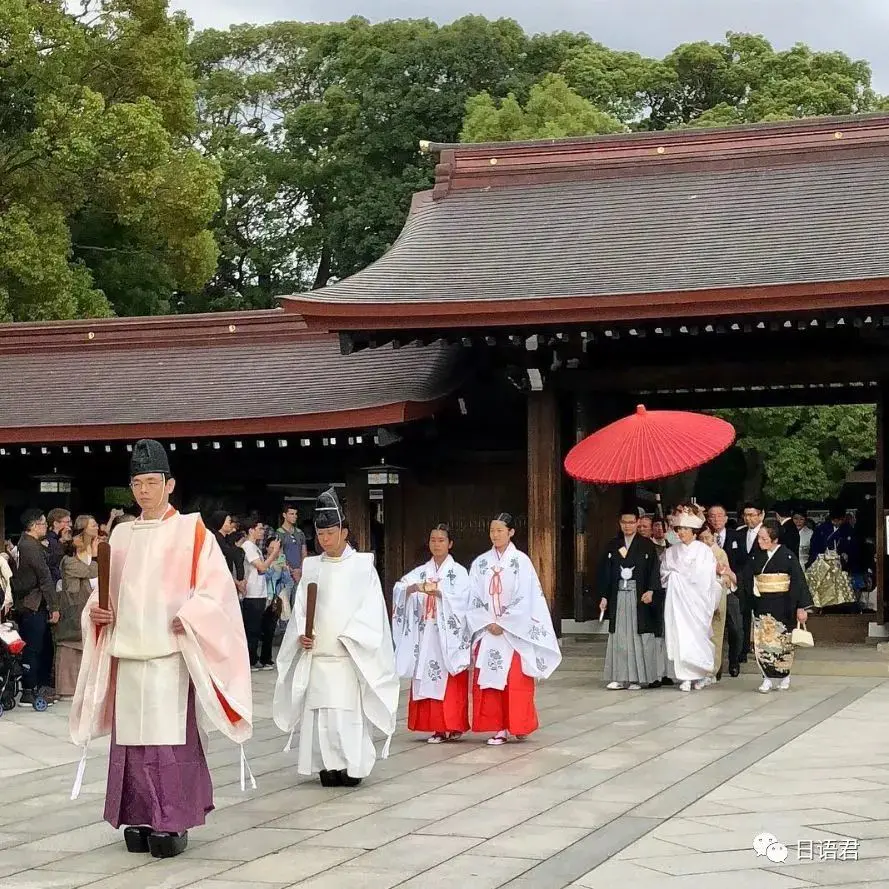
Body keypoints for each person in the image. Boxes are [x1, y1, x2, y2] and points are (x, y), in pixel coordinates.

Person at [69, 439, 253, 859]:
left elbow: (216, 592)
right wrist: (97, 615)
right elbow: (105, 593)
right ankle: (136, 816)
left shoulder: (193, 531)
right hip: (128, 652)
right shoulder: (121, 534)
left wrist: (191, 615)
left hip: (169, 652)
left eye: (152, 482)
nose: (144, 491)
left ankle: (172, 821)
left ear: (170, 484)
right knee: (131, 743)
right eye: (137, 483)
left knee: (168, 741)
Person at [273, 489, 398, 786]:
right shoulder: (313, 566)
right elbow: (302, 606)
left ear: (344, 532)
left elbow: (372, 611)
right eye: (320, 534)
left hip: (346, 654)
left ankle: (352, 766)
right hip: (318, 654)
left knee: (346, 715)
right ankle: (326, 766)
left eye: (330, 533)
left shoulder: (363, 566)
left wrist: (352, 636)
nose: (325, 539)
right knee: (320, 717)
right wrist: (303, 634)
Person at [466, 513, 562, 745]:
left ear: (511, 532)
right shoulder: (480, 563)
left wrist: (505, 622)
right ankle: (497, 727)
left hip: (514, 633)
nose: (495, 535)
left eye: (500, 530)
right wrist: (488, 622)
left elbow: (526, 597)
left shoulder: (521, 561)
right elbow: (473, 597)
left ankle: (519, 725)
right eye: (492, 530)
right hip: (488, 631)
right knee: (490, 682)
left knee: (516, 681)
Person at [393, 524, 471, 743]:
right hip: (426, 632)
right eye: (433, 540)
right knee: (426, 677)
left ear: (450, 544)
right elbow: (400, 587)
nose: (436, 544)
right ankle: (436, 727)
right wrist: (412, 589)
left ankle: (453, 725)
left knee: (449, 677)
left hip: (448, 635)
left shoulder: (458, 573)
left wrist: (440, 593)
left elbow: (463, 601)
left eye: (441, 540)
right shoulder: (421, 571)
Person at [740, 520, 812, 693]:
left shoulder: (788, 556)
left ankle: (784, 674)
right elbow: (746, 577)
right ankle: (766, 677)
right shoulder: (756, 556)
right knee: (763, 642)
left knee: (783, 643)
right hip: (762, 604)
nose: (759, 541)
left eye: (763, 538)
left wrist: (801, 607)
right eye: (759, 538)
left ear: (774, 539)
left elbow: (798, 582)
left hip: (784, 604)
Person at [597, 507, 664, 691]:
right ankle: (619, 677)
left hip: (638, 595)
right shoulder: (613, 544)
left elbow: (653, 570)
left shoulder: (646, 545)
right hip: (618, 595)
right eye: (624, 522)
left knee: (637, 635)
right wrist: (604, 595)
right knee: (619, 636)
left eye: (631, 522)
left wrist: (651, 590)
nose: (627, 526)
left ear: (637, 523)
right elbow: (606, 572)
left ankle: (636, 678)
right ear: (620, 523)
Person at [661, 505, 722, 692]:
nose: (682, 533)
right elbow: (664, 573)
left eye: (686, 529)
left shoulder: (703, 551)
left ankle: (701, 674)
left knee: (697, 636)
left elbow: (706, 577)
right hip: (679, 604)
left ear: (694, 532)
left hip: (697, 602)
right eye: (679, 529)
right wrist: (676, 577)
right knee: (681, 636)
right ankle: (685, 676)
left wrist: (684, 578)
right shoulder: (671, 552)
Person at [11, 509, 58, 706]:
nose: (45, 527)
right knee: (33, 647)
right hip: (33, 602)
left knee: (35, 646)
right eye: (42, 523)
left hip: (28, 603)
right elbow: (45, 578)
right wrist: (54, 606)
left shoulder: (24, 544)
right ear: (33, 526)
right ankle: (29, 691)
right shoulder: (31, 547)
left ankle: (34, 687)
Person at [53, 515, 100, 698]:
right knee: (70, 646)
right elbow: (91, 571)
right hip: (75, 606)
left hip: (92, 603)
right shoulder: (69, 561)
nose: (96, 528)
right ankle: (66, 689)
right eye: (93, 525)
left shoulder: (96, 548)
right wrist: (95, 558)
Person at [238, 520, 281, 670]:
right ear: (251, 530)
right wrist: (274, 553)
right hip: (252, 593)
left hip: (260, 592)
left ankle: (255, 658)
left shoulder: (255, 547)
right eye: (260, 528)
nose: (262, 531)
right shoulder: (248, 547)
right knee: (252, 628)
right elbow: (261, 567)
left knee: (257, 628)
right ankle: (249, 660)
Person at [698, 524, 738, 682]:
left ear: (714, 537)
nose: (705, 541)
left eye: (708, 537)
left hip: (717, 592)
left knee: (716, 632)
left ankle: (713, 669)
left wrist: (720, 573)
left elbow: (727, 575)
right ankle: (700, 668)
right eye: (701, 538)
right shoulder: (697, 553)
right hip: (700, 595)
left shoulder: (720, 552)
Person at [209, 511, 245, 595]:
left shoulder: (226, 539)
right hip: (218, 581)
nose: (231, 524)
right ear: (221, 523)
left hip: (228, 580)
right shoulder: (216, 539)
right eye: (229, 521)